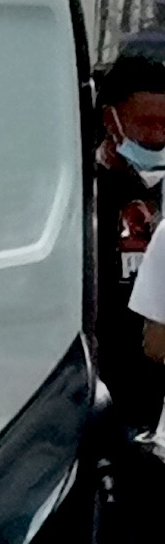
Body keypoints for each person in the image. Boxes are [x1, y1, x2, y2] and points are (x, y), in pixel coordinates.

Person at [105, 52, 165, 433]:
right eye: (146, 123)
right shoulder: (79, 193)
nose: (157, 137)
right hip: (102, 390)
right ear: (110, 120)